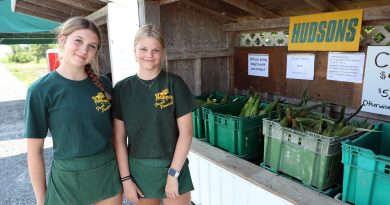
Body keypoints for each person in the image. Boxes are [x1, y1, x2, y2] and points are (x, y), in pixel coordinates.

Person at [24, 16, 122, 205]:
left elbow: (114, 135)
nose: (84, 50)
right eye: (78, 41)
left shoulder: (104, 85)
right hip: (67, 181)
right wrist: (41, 199)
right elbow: (34, 152)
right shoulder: (40, 90)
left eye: (92, 45)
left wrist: (122, 175)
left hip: (106, 174)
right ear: (62, 40)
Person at [112, 24, 197, 205]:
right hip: (140, 168)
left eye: (155, 50)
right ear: (135, 50)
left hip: (173, 166)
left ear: (163, 52)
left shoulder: (175, 84)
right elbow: (119, 138)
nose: (149, 55)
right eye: (143, 49)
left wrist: (173, 174)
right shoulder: (122, 89)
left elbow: (186, 133)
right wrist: (126, 180)